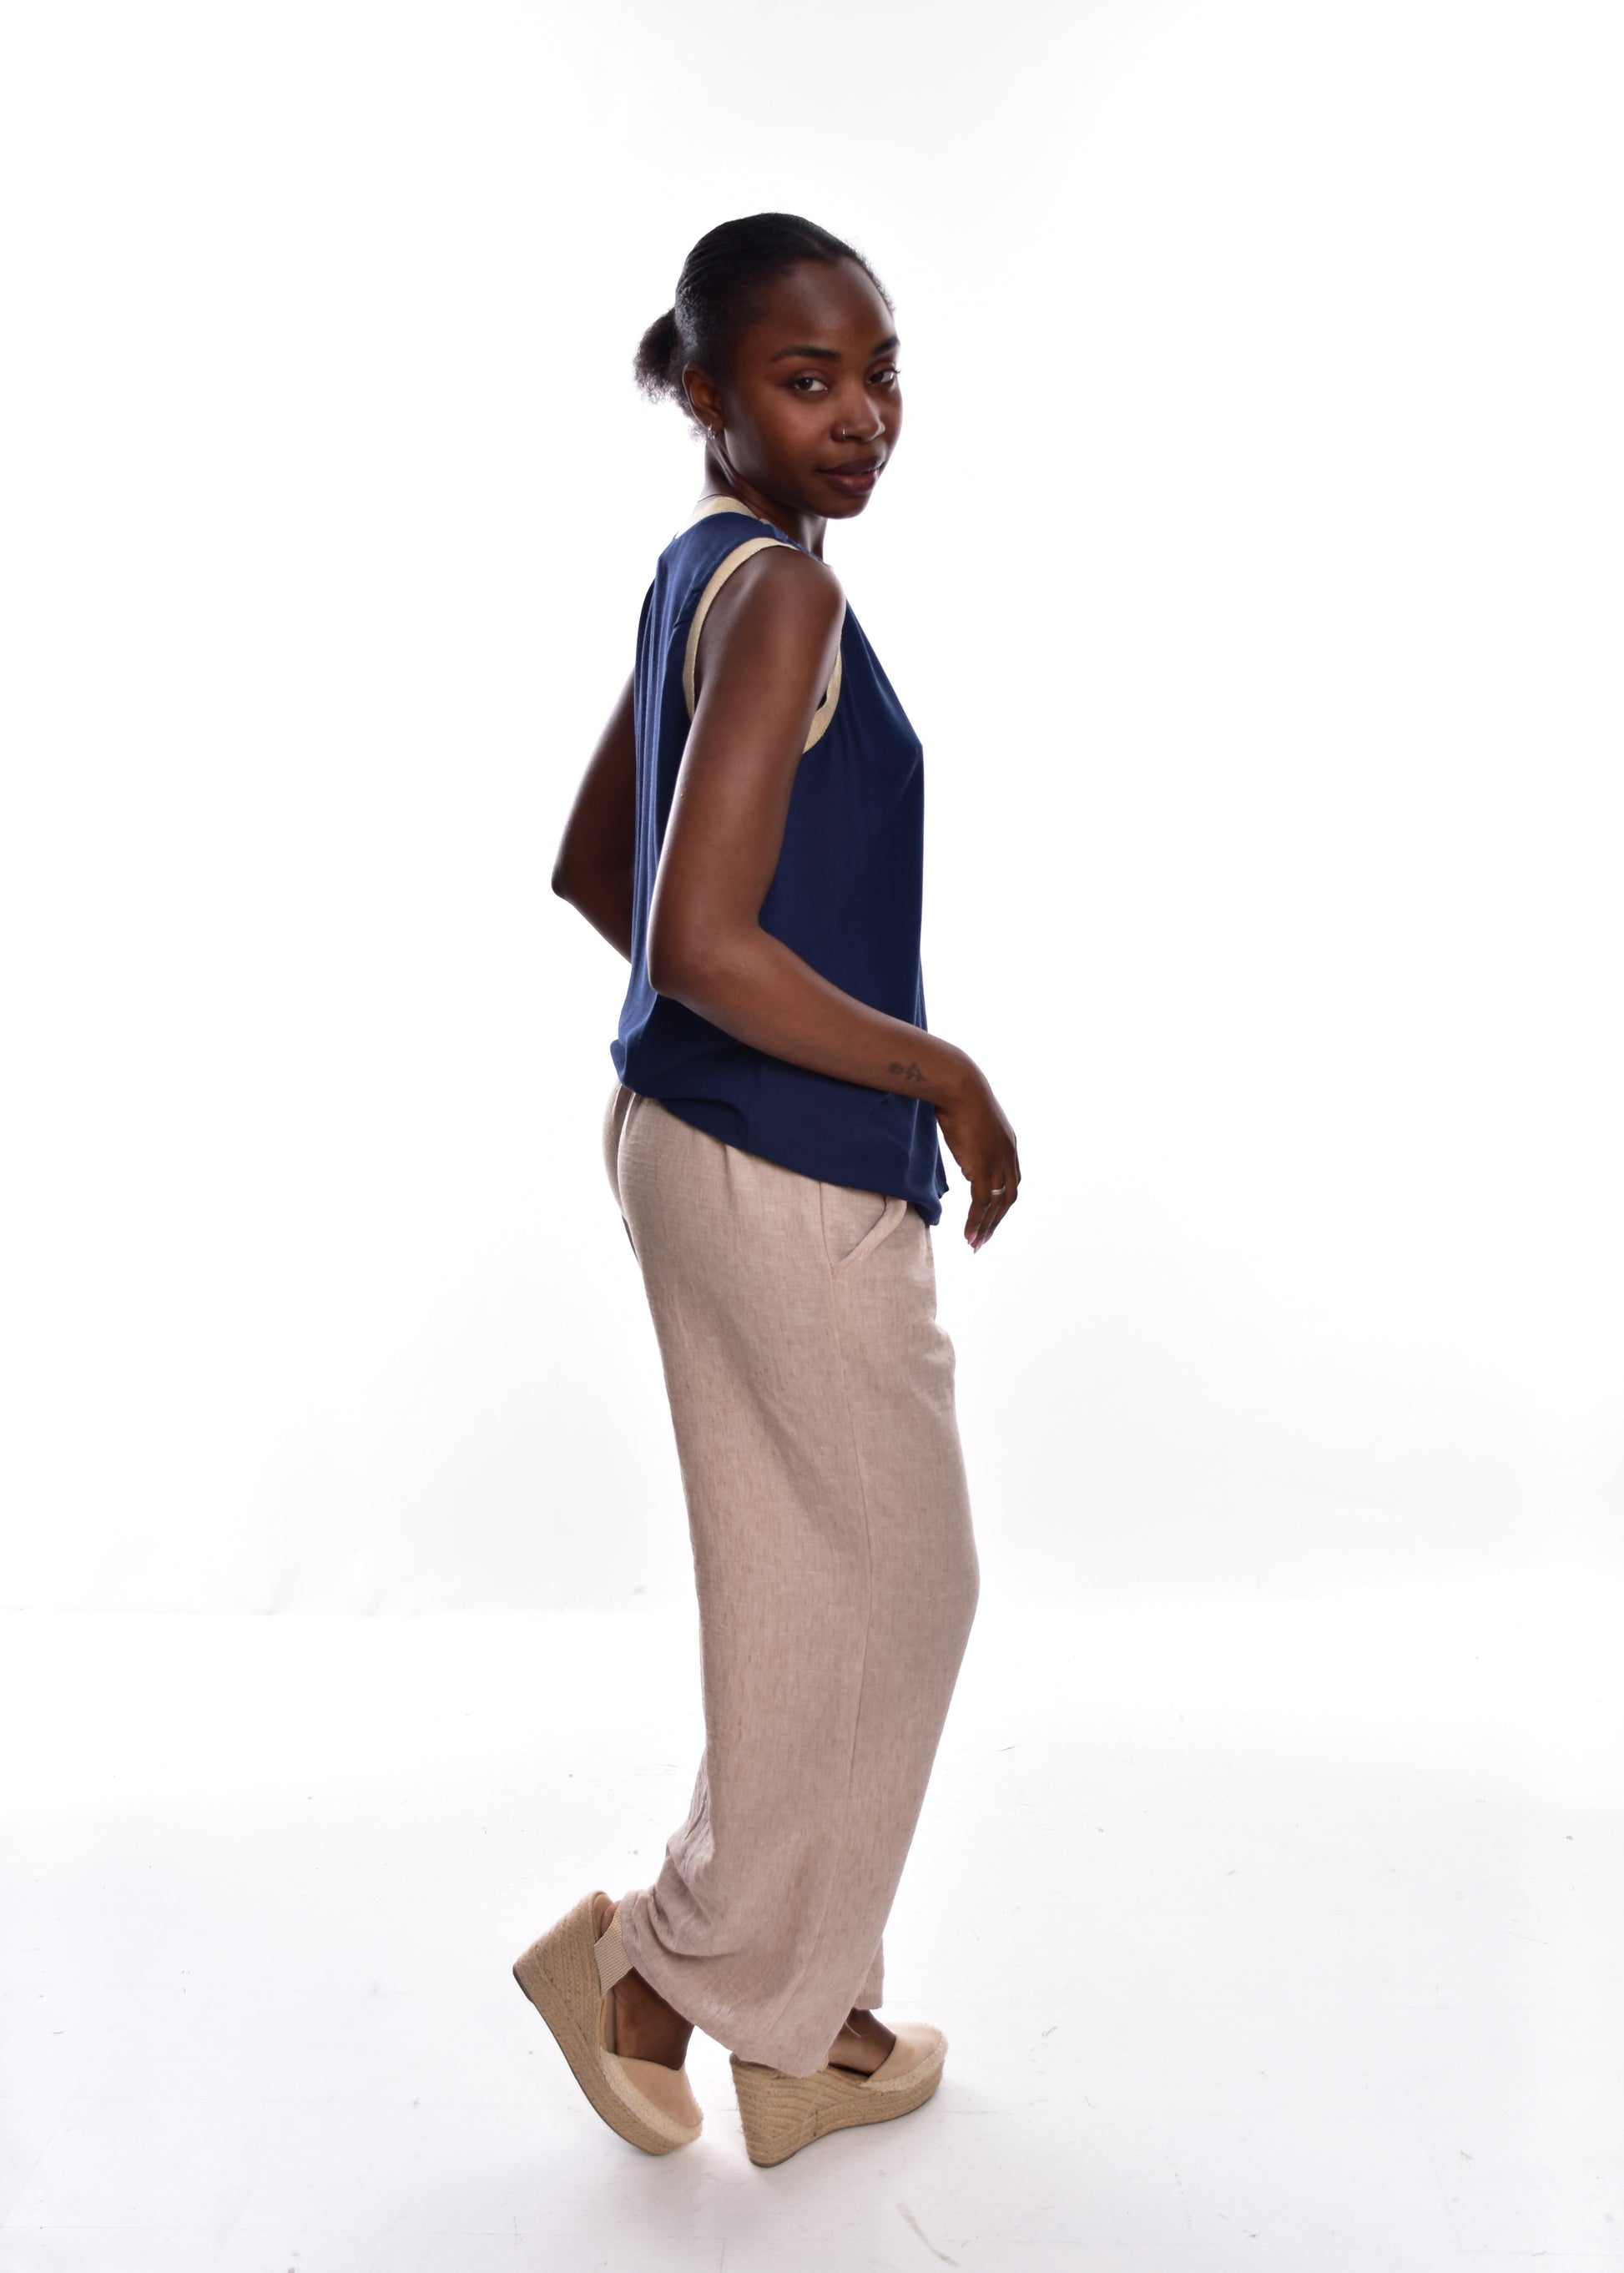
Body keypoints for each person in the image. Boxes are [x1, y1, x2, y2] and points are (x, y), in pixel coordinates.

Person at [514, 213, 1020, 2169]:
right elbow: (697, 933)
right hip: (777, 1167)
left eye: (880, 375)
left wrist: (727, 1044)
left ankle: (801, 2026)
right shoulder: (784, 598)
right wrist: (938, 1069)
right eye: (809, 382)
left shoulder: (709, 572)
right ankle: (658, 1977)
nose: (861, 415)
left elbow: (603, 872)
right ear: (710, 396)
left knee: (833, 1594)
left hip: (696, 1143)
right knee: (894, 1587)